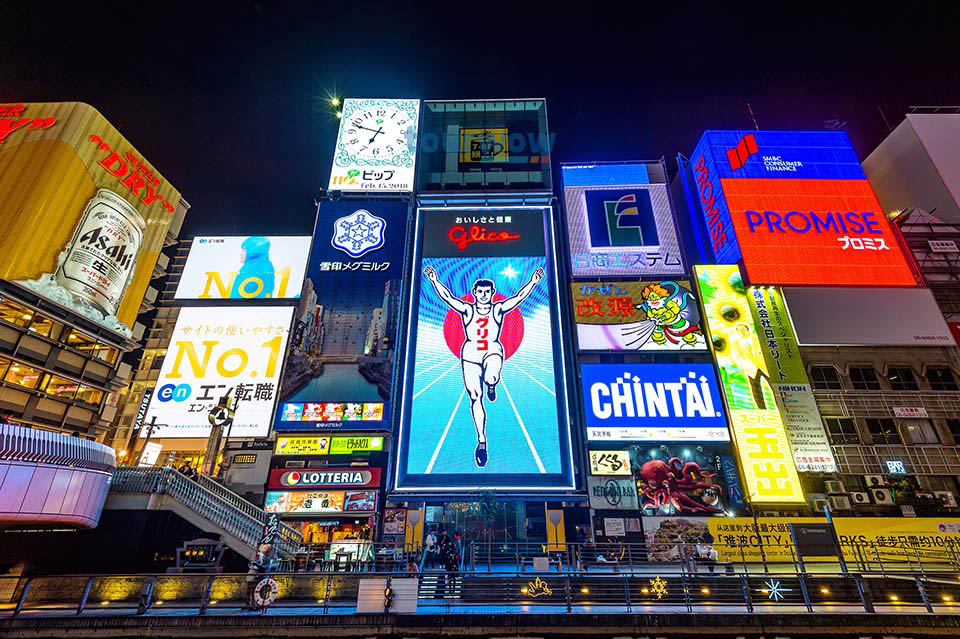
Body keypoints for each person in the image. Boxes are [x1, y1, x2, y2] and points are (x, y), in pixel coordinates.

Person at [423, 265, 544, 468]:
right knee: (475, 397)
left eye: (487, 292)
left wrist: (533, 281)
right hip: (470, 355)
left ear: (492, 293)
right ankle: (481, 441)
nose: (484, 295)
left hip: (492, 351)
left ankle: (491, 384)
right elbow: (448, 298)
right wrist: (435, 280)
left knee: (490, 377)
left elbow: (518, 298)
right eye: (480, 292)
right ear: (475, 293)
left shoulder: (498, 309)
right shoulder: (467, 309)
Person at [245, 543, 273, 610]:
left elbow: (264, 567)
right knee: (253, 591)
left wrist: (257, 565)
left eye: (265, 548)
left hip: (262, 577)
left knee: (260, 592)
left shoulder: (267, 558)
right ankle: (251, 605)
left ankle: (259, 606)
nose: (263, 549)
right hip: (257, 576)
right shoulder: (261, 556)